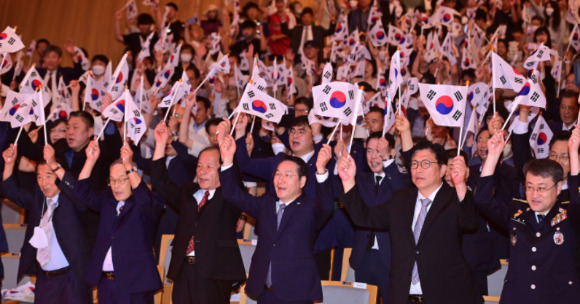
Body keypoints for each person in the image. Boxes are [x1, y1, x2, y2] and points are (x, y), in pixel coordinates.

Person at [337, 138, 480, 303]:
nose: (418, 169)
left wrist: (460, 184)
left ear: (442, 170)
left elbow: (470, 223)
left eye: (426, 163)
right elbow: (364, 217)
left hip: (445, 296)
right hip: (403, 296)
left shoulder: (455, 199)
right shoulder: (400, 200)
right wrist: (348, 180)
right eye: (414, 164)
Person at [217, 119, 334, 304]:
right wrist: (228, 159)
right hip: (264, 290)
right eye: (278, 174)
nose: (281, 180)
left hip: (296, 293)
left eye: (288, 175)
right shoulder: (266, 203)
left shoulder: (309, 208)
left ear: (302, 182)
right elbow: (233, 194)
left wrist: (320, 171)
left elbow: (327, 206)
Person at [474, 131, 580, 303]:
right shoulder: (518, 213)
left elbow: (577, 197)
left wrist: (574, 153)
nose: (534, 194)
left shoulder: (569, 216)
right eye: (530, 187)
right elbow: (483, 200)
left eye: (542, 188)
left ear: (558, 188)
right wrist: (493, 156)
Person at [150, 121, 245, 303]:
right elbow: (160, 181)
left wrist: (223, 145)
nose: (202, 171)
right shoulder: (188, 192)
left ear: (221, 168)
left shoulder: (230, 196)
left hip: (214, 274)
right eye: (199, 166)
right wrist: (161, 144)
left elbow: (235, 178)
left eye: (209, 167)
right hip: (184, 270)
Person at [74, 140, 164, 303]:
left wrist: (129, 165)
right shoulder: (107, 199)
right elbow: (81, 193)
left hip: (135, 284)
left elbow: (147, 203)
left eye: (122, 179)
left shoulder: (147, 201)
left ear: (133, 177)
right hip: (105, 283)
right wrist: (90, 161)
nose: (116, 186)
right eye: (112, 180)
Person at [1, 144, 92, 303]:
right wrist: (9, 164)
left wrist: (55, 165)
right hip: (45, 279)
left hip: (72, 279)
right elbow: (11, 191)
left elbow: (80, 195)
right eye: (39, 177)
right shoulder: (39, 200)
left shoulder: (73, 199)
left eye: (49, 175)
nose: (44, 183)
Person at [348, 132, 412, 303]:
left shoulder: (404, 179)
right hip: (363, 257)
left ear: (391, 153)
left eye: (379, 151)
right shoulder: (359, 178)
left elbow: (402, 195)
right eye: (369, 151)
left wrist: (388, 162)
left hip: (392, 258)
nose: (373, 157)